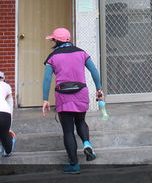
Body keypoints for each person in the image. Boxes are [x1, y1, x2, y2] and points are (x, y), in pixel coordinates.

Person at [41, 27, 104, 174]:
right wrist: (99, 89)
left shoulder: (52, 57)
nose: (52, 41)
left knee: (68, 131)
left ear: (57, 40)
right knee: (81, 121)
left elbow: (47, 79)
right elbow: (94, 71)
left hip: (63, 96)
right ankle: (87, 143)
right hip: (81, 93)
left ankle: (74, 164)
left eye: (53, 39)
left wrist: (45, 99)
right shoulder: (81, 53)